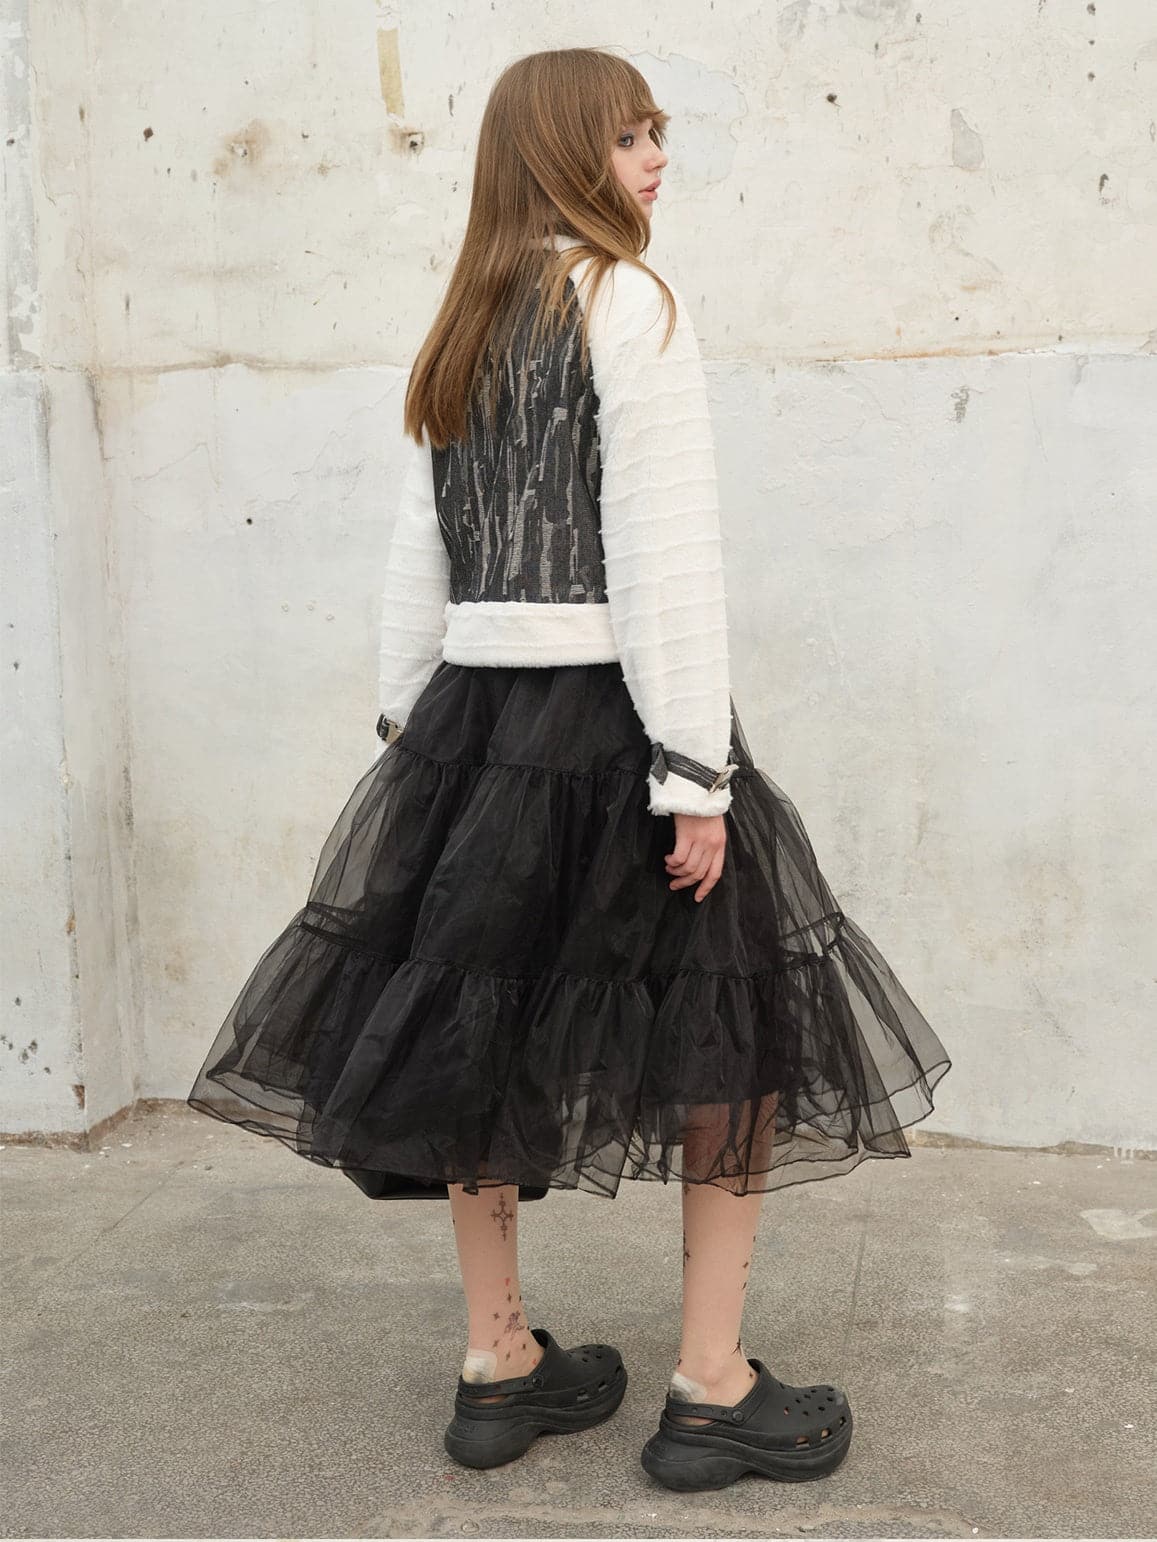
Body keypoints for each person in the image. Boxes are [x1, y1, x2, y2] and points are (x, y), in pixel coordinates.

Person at [186, 47, 951, 1493]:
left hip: (473, 727)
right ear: (558, 153)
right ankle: (710, 1387)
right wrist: (694, 772)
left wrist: (416, 745)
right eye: (628, 135)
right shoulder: (630, 300)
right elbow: (663, 551)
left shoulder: (463, 319)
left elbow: (416, 559)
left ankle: (498, 1365)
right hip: (613, 720)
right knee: (734, 1036)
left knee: (479, 1030)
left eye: (657, 131)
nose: (657, 157)